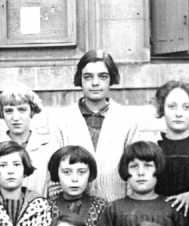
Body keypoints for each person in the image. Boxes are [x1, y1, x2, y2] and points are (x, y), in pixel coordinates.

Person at [52, 50, 140, 202]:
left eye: (103, 76)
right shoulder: (62, 119)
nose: (95, 83)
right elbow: (54, 173)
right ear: (80, 79)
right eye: (88, 77)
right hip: (74, 213)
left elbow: (134, 168)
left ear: (111, 78)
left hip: (115, 207)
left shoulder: (127, 119)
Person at [0, 83, 59, 198]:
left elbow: (55, 192)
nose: (15, 117)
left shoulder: (47, 148)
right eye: (9, 111)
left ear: (32, 111)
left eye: (22, 110)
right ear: (2, 114)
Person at [153, 80, 189, 214]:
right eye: (172, 106)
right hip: (157, 221)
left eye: (187, 107)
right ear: (162, 109)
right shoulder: (151, 146)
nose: (178, 114)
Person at [47, 146, 107, 226]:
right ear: (56, 174)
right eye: (67, 172)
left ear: (90, 174)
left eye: (81, 172)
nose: (74, 179)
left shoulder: (101, 206)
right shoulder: (46, 207)